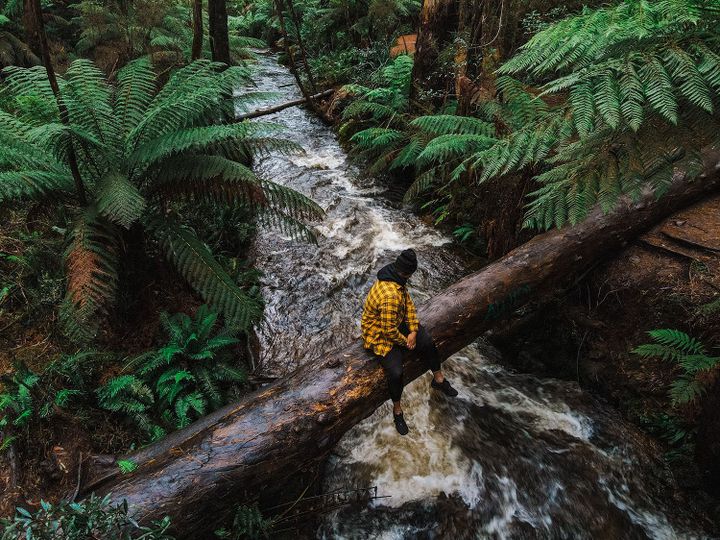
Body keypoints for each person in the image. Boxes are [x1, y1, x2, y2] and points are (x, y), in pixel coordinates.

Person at [361, 248, 458, 435]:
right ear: (409, 273)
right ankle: (397, 410)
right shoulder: (390, 294)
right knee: (396, 372)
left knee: (428, 341)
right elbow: (388, 331)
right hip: (379, 334)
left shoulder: (397, 279)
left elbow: (409, 306)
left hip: (394, 322)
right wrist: (407, 341)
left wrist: (413, 330)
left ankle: (438, 379)